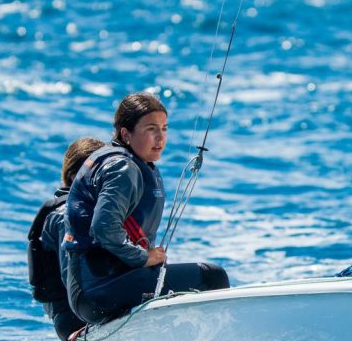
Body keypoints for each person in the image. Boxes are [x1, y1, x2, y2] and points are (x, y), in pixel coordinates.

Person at [64, 92, 229, 325]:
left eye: (164, 128)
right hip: (99, 290)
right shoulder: (122, 167)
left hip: (95, 289)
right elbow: (103, 228)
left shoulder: (130, 162)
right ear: (126, 134)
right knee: (212, 277)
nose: (160, 137)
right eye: (151, 129)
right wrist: (143, 258)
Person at [27, 136, 105, 341]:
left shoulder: (95, 212)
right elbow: (73, 280)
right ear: (73, 176)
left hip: (92, 307)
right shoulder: (66, 216)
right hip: (74, 317)